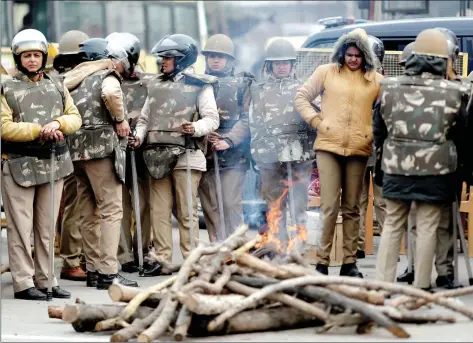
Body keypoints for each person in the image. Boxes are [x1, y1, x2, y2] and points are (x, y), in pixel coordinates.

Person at [374, 29, 472, 290]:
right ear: (444, 59)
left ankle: (382, 285)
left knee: (393, 225)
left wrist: (380, 169)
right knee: (428, 226)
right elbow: (462, 137)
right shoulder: (454, 93)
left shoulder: (389, 89)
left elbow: (379, 132)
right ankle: (421, 287)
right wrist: (462, 171)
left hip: (396, 166)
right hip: (436, 170)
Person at [295, 28, 383, 277]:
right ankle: (322, 262)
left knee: (353, 207)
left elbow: (388, 106)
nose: (353, 59)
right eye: (349, 53)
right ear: (342, 53)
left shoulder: (375, 79)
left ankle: (349, 263)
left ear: (365, 56)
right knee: (329, 206)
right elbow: (301, 96)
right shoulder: (326, 72)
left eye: (358, 55)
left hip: (359, 148)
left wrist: (373, 132)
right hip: (328, 147)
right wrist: (317, 122)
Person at [1, 29, 82, 300]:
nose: (32, 60)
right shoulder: (6, 87)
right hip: (18, 164)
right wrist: (39, 130)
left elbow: (74, 117)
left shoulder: (57, 84)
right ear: (18, 58)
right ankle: (24, 283)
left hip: (54, 162)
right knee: (21, 228)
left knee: (47, 226)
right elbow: (4, 127)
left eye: (36, 55)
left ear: (44, 56)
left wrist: (58, 124)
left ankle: (47, 280)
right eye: (27, 56)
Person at [131, 34, 219, 275]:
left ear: (181, 60)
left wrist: (196, 128)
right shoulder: (155, 84)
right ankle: (162, 260)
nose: (163, 62)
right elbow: (144, 119)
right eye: (163, 58)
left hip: (187, 155)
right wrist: (138, 137)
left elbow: (212, 118)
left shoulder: (200, 84)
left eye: (168, 58)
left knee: (187, 211)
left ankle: (191, 261)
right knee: (158, 211)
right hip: (155, 155)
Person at [63, 38, 138, 290]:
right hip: (101, 150)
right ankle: (108, 272)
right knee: (111, 210)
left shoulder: (71, 80)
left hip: (76, 152)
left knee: (88, 212)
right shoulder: (106, 75)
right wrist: (120, 119)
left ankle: (93, 269)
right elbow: (110, 93)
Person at [248, 38, 313, 251]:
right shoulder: (259, 90)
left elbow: (313, 122)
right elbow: (254, 123)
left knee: (298, 204)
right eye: (277, 63)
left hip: (299, 156)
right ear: (269, 66)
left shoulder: (305, 89)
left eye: (286, 62)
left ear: (293, 65)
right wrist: (257, 155)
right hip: (269, 157)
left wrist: (311, 152)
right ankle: (278, 246)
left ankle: (299, 248)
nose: (282, 66)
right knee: (274, 205)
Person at [106, 32, 155, 273]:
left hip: (142, 150)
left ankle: (143, 251)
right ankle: (123, 256)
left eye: (119, 57)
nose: (114, 62)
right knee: (121, 206)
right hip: (115, 151)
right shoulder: (106, 81)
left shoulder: (148, 82)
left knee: (143, 204)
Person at [197, 34, 254, 242]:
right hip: (204, 154)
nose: (216, 60)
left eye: (221, 56)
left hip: (233, 155)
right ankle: (217, 249)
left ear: (231, 61)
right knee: (210, 207)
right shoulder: (196, 83)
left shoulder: (242, 84)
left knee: (230, 204)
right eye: (211, 56)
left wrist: (228, 140)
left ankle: (238, 248)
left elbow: (248, 119)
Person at [52, 30, 90, 282]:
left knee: (71, 206)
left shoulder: (53, 79)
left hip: (66, 151)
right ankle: (72, 261)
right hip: (75, 151)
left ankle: (74, 258)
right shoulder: (73, 80)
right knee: (75, 207)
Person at [357, 35, 387, 259]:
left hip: (381, 149)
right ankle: (356, 246)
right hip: (357, 146)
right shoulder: (350, 84)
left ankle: (388, 246)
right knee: (357, 201)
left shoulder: (386, 84)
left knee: (383, 201)